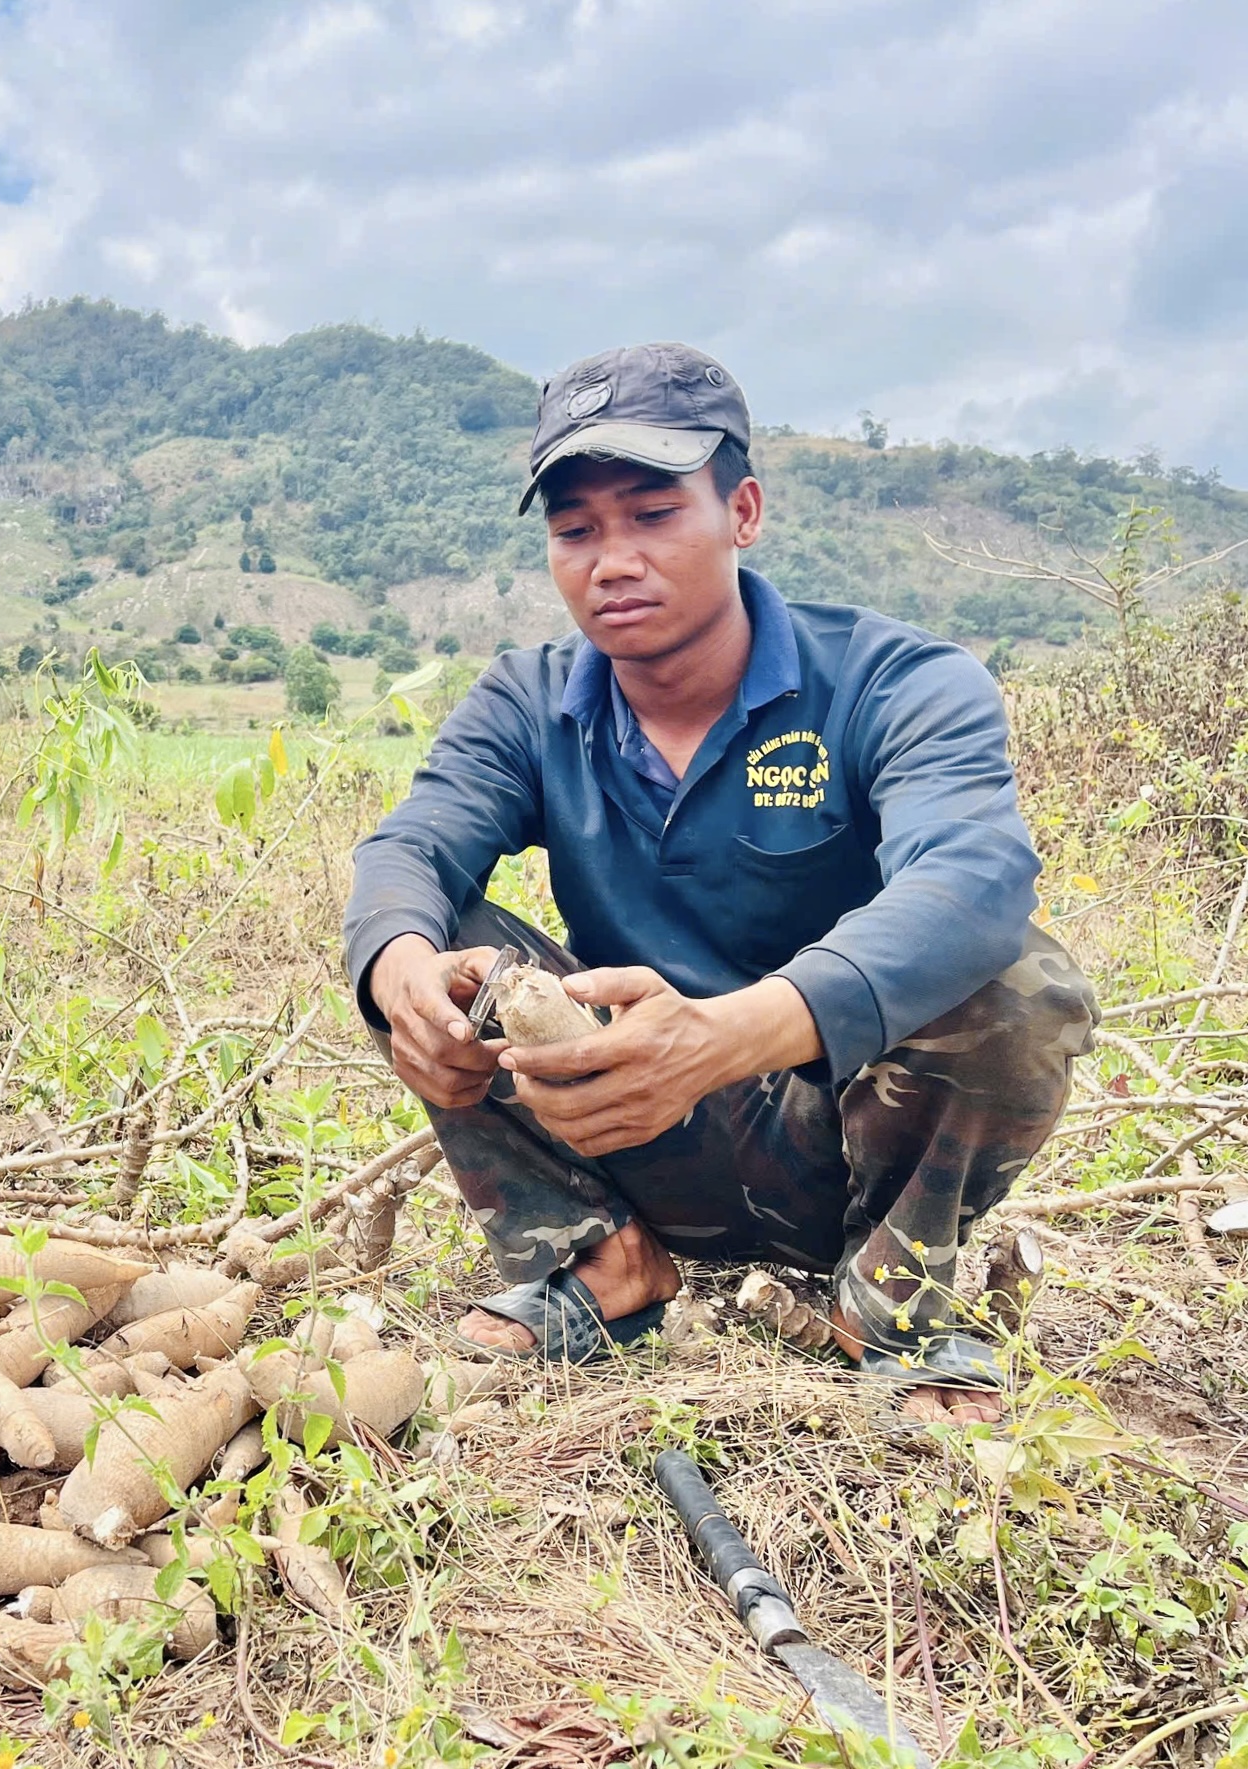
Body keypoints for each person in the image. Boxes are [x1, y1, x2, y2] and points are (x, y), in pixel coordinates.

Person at [344, 343, 1096, 1425]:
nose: (611, 559)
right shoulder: (529, 700)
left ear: (741, 510)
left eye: (652, 514)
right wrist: (402, 973)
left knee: (1019, 975)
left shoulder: (895, 682)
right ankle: (597, 1260)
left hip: (849, 1138)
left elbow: (973, 878)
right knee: (424, 941)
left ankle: (887, 1296)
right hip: (630, 1126)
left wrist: (719, 1035)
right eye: (575, 530)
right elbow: (407, 851)